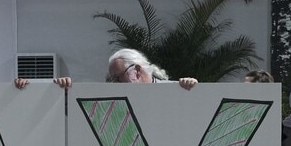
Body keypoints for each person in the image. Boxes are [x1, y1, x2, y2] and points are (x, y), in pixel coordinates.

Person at [42, 48, 196, 90]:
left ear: (136, 70)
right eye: (113, 79)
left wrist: (193, 87)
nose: (116, 84)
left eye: (118, 77)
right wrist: (64, 90)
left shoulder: (177, 90)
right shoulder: (112, 97)